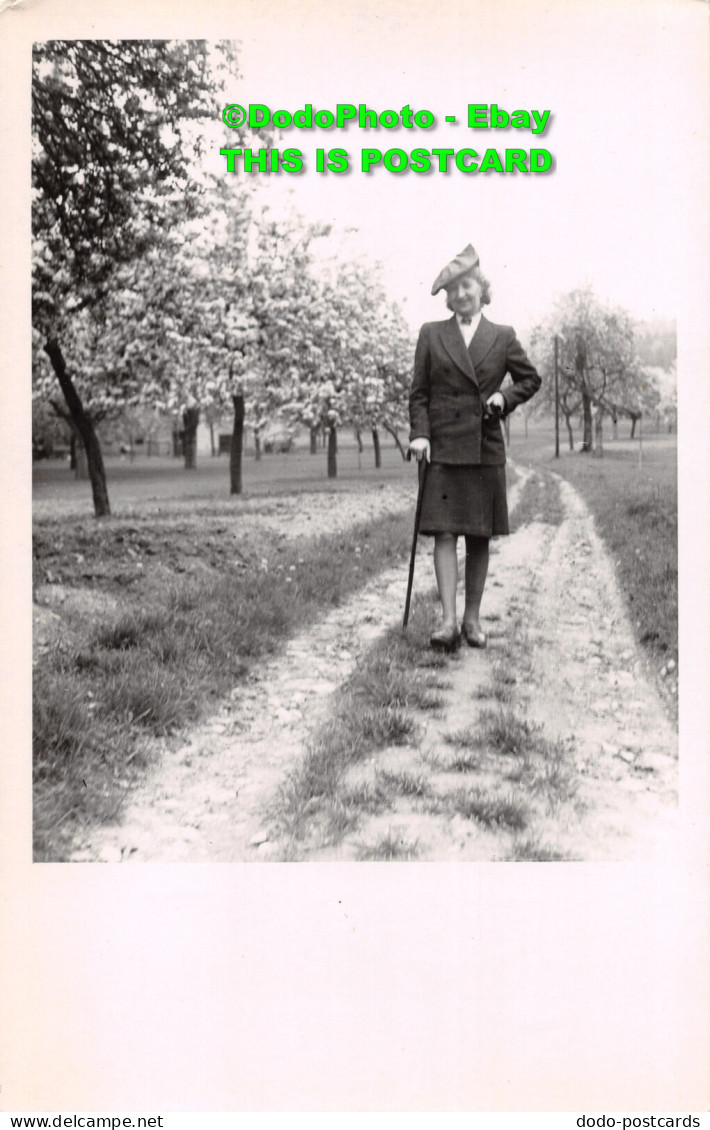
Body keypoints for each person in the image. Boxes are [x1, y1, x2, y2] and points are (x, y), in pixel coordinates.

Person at [408, 243, 542, 650]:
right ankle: (447, 623)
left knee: (478, 535)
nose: (461, 295)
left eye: (467, 286)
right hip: (443, 448)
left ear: (482, 288)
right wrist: (420, 433)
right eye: (453, 290)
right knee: (444, 533)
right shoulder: (432, 334)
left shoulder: (502, 337)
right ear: (447, 298)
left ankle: (472, 621)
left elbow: (530, 379)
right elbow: (419, 393)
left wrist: (504, 398)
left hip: (484, 446)